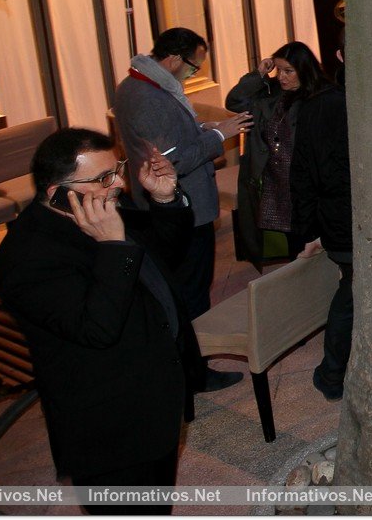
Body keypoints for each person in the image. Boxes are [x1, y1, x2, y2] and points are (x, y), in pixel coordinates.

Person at [0, 130, 199, 509]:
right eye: (104, 177)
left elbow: (162, 259)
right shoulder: (27, 259)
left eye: (116, 169)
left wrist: (164, 198)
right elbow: (97, 328)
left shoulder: (96, 209)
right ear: (58, 191)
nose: (119, 183)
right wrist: (112, 247)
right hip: (110, 429)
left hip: (153, 401)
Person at [113, 27, 247, 391]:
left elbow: (170, 135)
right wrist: (221, 135)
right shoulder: (151, 97)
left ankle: (188, 366)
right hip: (183, 207)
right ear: (173, 59)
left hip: (161, 205)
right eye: (193, 67)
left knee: (183, 285)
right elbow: (176, 160)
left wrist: (204, 126)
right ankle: (195, 371)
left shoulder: (133, 84)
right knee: (191, 289)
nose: (194, 75)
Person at [288, 39, 356, 400]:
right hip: (345, 219)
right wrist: (309, 230)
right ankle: (332, 373)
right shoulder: (331, 102)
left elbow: (304, 174)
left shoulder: (326, 101)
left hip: (345, 218)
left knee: (353, 292)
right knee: (352, 294)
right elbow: (308, 174)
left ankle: (335, 372)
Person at [225, 42, 328, 269]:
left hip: (307, 185)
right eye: (279, 70)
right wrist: (259, 74)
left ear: (304, 69)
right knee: (294, 244)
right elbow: (234, 102)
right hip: (276, 184)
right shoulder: (269, 92)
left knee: (315, 239)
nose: (282, 76)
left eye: (288, 71)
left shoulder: (321, 96)